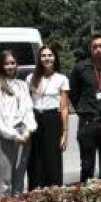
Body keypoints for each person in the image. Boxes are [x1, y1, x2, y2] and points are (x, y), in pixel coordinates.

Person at [69, 33, 101, 183]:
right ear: (90, 49)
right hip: (88, 122)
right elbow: (74, 93)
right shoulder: (80, 68)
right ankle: (86, 197)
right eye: (95, 47)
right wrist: (83, 110)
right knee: (87, 165)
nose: (98, 49)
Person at [0, 50, 37, 196]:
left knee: (19, 177)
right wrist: (13, 135)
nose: (10, 66)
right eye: (6, 63)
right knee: (6, 179)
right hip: (7, 136)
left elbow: (28, 109)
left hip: (24, 134)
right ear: (1, 66)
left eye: (12, 63)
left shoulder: (22, 85)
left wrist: (28, 130)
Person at [27, 46, 70, 189]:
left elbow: (64, 108)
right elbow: (27, 103)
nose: (47, 58)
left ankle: (54, 190)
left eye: (50, 55)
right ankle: (35, 191)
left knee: (53, 158)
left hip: (53, 119)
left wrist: (65, 132)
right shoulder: (30, 78)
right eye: (43, 55)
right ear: (39, 59)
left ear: (55, 57)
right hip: (35, 118)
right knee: (35, 158)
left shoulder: (61, 79)